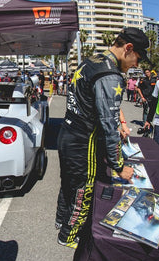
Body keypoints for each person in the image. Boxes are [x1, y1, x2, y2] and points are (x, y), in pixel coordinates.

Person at [55, 27, 149, 248]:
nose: (137, 64)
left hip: (67, 131)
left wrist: (121, 121)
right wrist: (119, 165)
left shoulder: (93, 60)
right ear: (128, 49)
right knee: (84, 188)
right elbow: (108, 126)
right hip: (83, 140)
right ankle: (68, 236)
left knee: (68, 183)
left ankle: (61, 220)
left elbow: (104, 107)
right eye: (138, 58)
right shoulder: (110, 75)